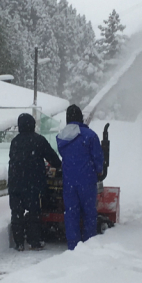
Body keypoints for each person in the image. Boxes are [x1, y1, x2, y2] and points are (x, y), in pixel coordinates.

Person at [8, 111, 61, 250]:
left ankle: (19, 242)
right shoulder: (38, 140)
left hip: (15, 183)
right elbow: (52, 158)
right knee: (33, 213)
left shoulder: (15, 142)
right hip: (32, 184)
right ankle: (34, 241)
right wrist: (59, 166)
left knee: (16, 213)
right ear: (32, 125)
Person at [55, 104, 104, 250]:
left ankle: (73, 246)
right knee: (89, 212)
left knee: (71, 213)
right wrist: (99, 170)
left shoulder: (61, 137)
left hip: (69, 181)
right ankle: (88, 244)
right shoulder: (89, 135)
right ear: (80, 117)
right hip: (87, 180)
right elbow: (98, 157)